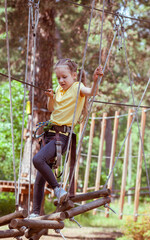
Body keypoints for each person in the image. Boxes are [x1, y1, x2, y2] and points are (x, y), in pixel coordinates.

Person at [30, 58, 103, 218]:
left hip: (61, 138)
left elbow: (92, 92)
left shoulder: (78, 88)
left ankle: (57, 189)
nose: (61, 80)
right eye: (59, 78)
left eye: (65, 77)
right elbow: (51, 109)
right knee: (39, 179)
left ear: (74, 76)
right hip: (49, 135)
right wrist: (51, 97)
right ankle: (35, 213)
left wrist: (96, 80)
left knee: (37, 160)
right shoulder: (58, 90)